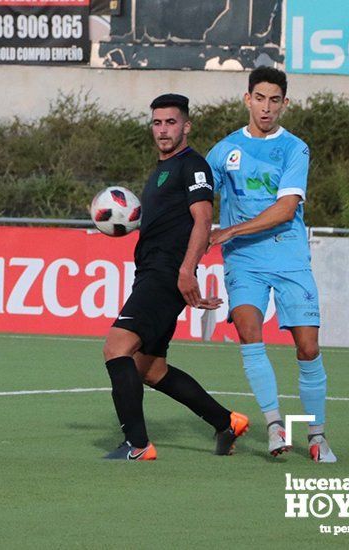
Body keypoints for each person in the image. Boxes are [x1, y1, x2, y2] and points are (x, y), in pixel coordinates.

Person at [103, 93, 250, 461]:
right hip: (154, 274)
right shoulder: (160, 170)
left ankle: (137, 444)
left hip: (165, 274)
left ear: (187, 126)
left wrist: (186, 270)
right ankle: (226, 421)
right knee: (150, 369)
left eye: (171, 122)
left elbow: (203, 220)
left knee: (116, 348)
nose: (163, 130)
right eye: (157, 123)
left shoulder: (193, 165)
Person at [207, 67, 336, 462]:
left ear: (284, 104)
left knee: (307, 348)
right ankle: (274, 426)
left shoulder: (295, 149)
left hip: (288, 255)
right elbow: (195, 199)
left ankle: (317, 436)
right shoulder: (223, 151)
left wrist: (228, 231)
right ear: (248, 99)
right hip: (244, 261)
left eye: (274, 100)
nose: (266, 107)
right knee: (249, 333)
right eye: (259, 98)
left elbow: (285, 210)